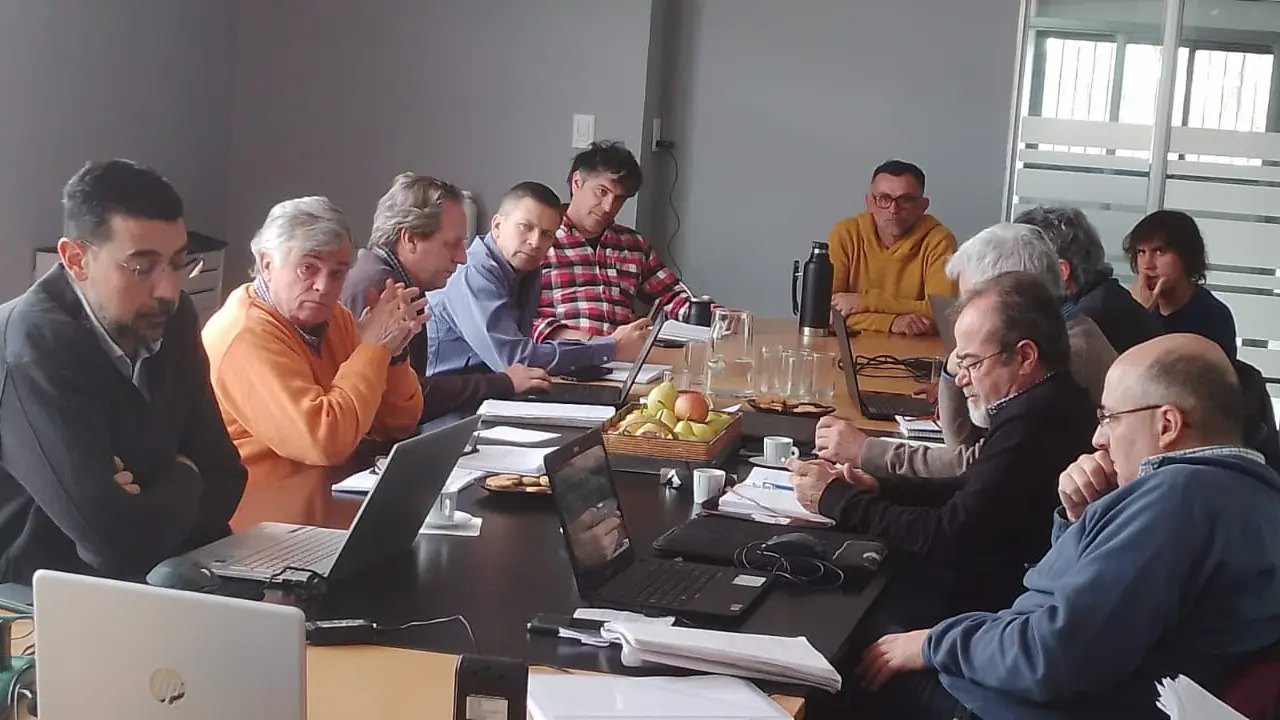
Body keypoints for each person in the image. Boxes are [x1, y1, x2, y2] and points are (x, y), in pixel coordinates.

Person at [857, 334, 1280, 720]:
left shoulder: (1180, 499)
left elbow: (1051, 658)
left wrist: (933, 643)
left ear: (1166, 425)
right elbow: (1073, 605)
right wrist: (1084, 517)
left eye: (1110, 417)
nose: (1099, 438)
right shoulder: (1251, 494)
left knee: (862, 635)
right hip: (1042, 684)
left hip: (1007, 705)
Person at [789, 273, 1097, 624]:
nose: (961, 378)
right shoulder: (1044, 400)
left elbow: (949, 536)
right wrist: (881, 488)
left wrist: (838, 500)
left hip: (991, 612)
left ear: (1025, 356)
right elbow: (974, 490)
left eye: (972, 363)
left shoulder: (1035, 421)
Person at [0, 159, 246, 582]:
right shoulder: (34, 344)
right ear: (76, 259)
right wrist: (184, 474)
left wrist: (142, 495)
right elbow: (111, 542)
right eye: (142, 267)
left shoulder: (173, 317)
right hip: (39, 594)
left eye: (178, 263)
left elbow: (226, 477)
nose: (168, 290)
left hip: (164, 573)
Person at [820, 223, 1116, 479]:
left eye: (973, 301)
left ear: (1013, 292)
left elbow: (974, 463)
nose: (965, 313)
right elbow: (966, 446)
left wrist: (866, 451)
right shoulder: (1055, 331)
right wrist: (954, 370)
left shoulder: (1067, 353)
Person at [202, 196, 424, 517]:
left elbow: (396, 424)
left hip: (328, 506)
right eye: (308, 268)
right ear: (266, 264)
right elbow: (324, 442)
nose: (323, 286)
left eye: (337, 273)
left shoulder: (335, 318)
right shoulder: (243, 334)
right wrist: (373, 348)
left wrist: (392, 352)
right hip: (260, 526)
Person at [341, 173, 550, 420]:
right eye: (451, 245)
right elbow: (406, 401)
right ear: (410, 239)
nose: (462, 258)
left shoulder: (393, 279)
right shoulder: (379, 289)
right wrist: (503, 382)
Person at [427, 182, 652, 376]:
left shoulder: (529, 269)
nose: (535, 242)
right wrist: (611, 348)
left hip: (498, 392)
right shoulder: (474, 273)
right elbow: (516, 361)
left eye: (547, 234)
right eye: (525, 227)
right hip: (455, 403)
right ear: (497, 226)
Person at [534, 141, 701, 342]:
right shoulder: (539, 239)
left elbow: (672, 296)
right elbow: (513, 316)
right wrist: (591, 341)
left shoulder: (633, 245)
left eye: (619, 199)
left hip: (625, 356)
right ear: (577, 182)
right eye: (602, 191)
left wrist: (718, 317)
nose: (608, 207)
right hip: (562, 353)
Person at [827, 160, 958, 335]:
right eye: (884, 199)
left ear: (923, 206)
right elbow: (827, 312)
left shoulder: (940, 241)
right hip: (849, 347)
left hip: (915, 347)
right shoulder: (846, 234)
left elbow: (942, 314)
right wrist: (891, 323)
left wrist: (863, 302)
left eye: (906, 200)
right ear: (869, 202)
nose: (893, 209)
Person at [1015, 205, 1161, 353]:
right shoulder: (1105, 295)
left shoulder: (1083, 322)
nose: (1009, 279)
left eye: (1020, 265)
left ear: (1061, 271)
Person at [1125, 209, 1237, 359]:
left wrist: (1139, 317)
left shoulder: (1213, 316)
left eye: (1159, 251)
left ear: (1186, 256)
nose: (1147, 265)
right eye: (1141, 252)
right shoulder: (1132, 304)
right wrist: (1135, 312)